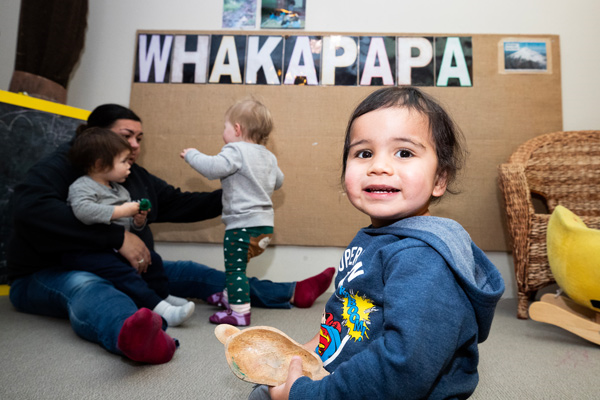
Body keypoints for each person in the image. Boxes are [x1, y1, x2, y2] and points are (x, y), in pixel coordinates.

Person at [7, 103, 335, 365]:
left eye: (138, 139)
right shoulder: (62, 168)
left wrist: (246, 191)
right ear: (95, 137)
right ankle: (131, 335)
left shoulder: (132, 175)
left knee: (191, 272)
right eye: (126, 137)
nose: (134, 146)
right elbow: (29, 210)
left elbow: (181, 203)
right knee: (89, 287)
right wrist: (117, 239)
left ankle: (291, 292)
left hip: (130, 268)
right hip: (50, 272)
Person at [250, 87, 505, 400]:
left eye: (404, 153)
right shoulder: (378, 236)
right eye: (364, 153)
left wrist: (307, 394)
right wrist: (306, 355)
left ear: (440, 179)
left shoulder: (423, 259)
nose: (378, 166)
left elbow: (404, 368)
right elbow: (352, 316)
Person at [62, 127, 195, 327]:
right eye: (123, 162)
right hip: (89, 251)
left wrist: (137, 222)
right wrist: (123, 211)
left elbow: (126, 225)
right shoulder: (82, 186)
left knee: (153, 260)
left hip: (114, 248)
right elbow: (83, 211)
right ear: (100, 163)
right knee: (125, 274)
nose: (129, 167)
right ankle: (161, 310)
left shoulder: (119, 190)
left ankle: (162, 296)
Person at [181, 98, 284, 326]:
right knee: (239, 267)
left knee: (234, 270)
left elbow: (211, 168)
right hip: (264, 229)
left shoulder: (235, 150)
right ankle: (230, 297)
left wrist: (192, 155)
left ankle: (239, 312)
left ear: (237, 129)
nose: (223, 133)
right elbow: (278, 181)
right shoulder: (268, 155)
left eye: (224, 127)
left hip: (242, 226)